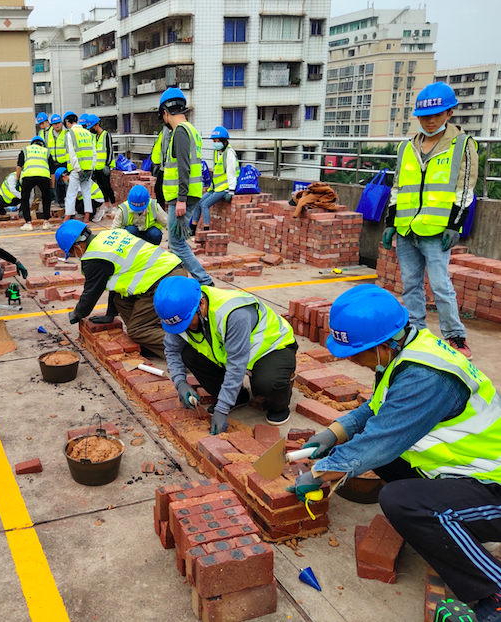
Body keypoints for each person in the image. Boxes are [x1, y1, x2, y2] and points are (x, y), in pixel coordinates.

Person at [287, 284, 501, 621]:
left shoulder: (425, 377)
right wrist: (333, 433)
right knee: (381, 461)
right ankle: (457, 523)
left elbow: (378, 442)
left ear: (383, 344)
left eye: (356, 352)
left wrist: (317, 473)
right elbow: (376, 411)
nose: (350, 359)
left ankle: (494, 588)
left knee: (402, 501)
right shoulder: (404, 350)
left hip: (493, 485)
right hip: (462, 470)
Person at [382, 82, 477, 360]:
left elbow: (465, 190)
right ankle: (416, 333)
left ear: (449, 113)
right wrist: (390, 222)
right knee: (410, 285)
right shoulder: (407, 147)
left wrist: (454, 225)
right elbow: (397, 187)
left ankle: (455, 336)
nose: (430, 120)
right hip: (407, 229)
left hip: (436, 232)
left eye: (436, 114)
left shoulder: (462, 145)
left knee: (441, 286)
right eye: (424, 116)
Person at [154, 276, 297, 430]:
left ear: (200, 305)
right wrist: (180, 382)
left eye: (186, 323)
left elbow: (237, 364)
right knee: (188, 354)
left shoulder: (234, 314)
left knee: (268, 384)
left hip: (272, 349)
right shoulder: (180, 314)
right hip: (230, 354)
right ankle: (238, 397)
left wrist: (222, 409)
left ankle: (280, 404)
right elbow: (172, 349)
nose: (182, 329)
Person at [56, 219, 186, 358]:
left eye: (72, 252)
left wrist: (77, 313)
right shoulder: (107, 236)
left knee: (137, 330)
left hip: (165, 282)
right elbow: (115, 281)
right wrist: (110, 315)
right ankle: (150, 342)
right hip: (172, 270)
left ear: (77, 246)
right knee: (121, 300)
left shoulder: (93, 258)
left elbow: (91, 293)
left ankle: (188, 352)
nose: (76, 256)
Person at [158, 88, 213, 286]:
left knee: (177, 244)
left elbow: (183, 167)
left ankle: (204, 281)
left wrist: (180, 198)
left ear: (165, 112)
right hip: (190, 194)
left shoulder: (180, 132)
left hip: (182, 197)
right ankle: (184, 280)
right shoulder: (192, 130)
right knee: (177, 242)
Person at [191, 126, 239, 232]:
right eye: (214, 140)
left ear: (223, 141)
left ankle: (207, 231)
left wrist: (231, 191)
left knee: (204, 205)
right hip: (215, 187)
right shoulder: (217, 152)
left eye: (217, 140)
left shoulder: (229, 153)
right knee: (198, 202)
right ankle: (192, 229)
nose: (215, 143)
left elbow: (232, 173)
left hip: (224, 188)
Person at [62, 111, 95, 223]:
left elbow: (72, 154)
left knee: (71, 194)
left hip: (77, 169)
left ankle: (67, 219)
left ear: (67, 122)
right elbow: (94, 153)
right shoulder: (88, 133)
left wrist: (76, 168)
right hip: (88, 168)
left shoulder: (70, 133)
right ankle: (86, 218)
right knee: (87, 193)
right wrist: (91, 167)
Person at [16, 135, 53, 231]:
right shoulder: (46, 151)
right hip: (44, 176)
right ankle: (46, 222)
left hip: (28, 176)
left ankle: (28, 223)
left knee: (25, 199)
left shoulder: (25, 150)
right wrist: (52, 187)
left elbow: (19, 166)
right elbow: (52, 172)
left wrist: (17, 179)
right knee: (46, 198)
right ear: (42, 144)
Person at [85, 114, 115, 222]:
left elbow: (110, 150)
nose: (91, 129)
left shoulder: (106, 135)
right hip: (96, 167)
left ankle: (114, 205)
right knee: (101, 187)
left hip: (104, 167)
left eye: (92, 127)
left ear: (97, 125)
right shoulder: (93, 137)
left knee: (107, 186)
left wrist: (107, 164)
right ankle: (106, 204)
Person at [151, 123, 171, 213]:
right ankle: (162, 211)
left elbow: (166, 147)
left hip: (167, 166)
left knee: (160, 189)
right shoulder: (165, 129)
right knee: (158, 189)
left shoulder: (171, 129)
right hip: (161, 165)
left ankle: (163, 212)